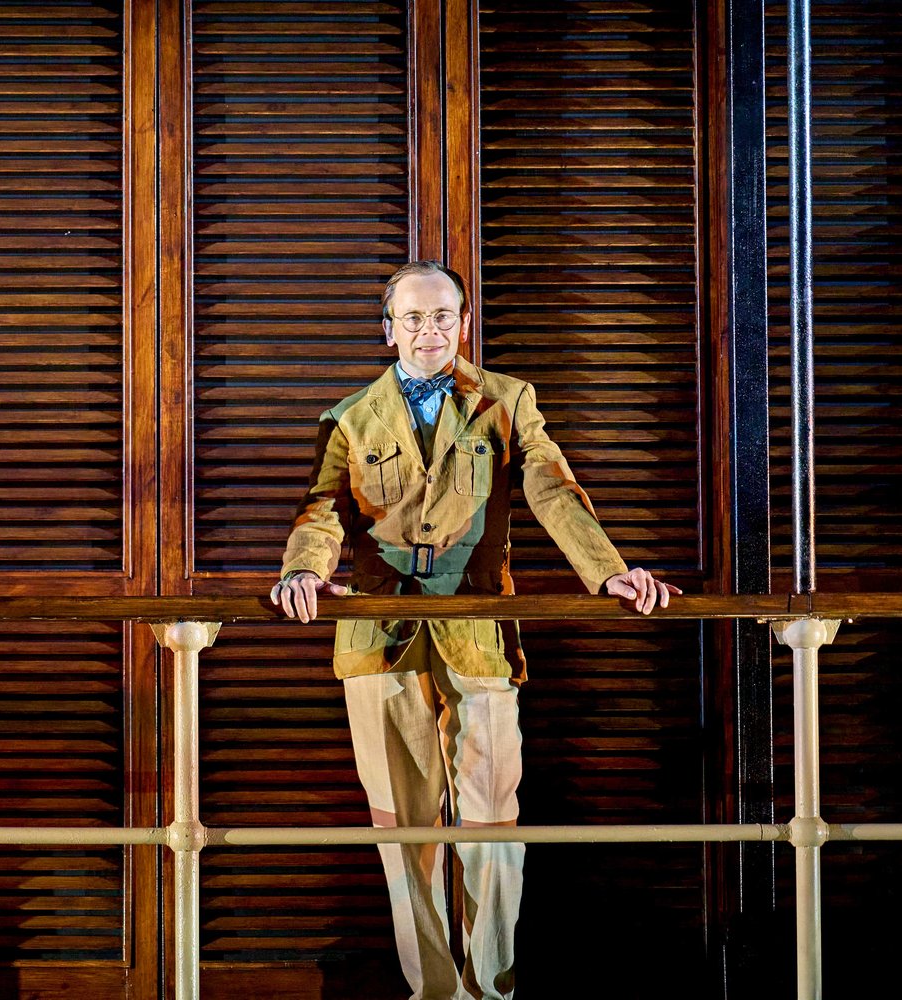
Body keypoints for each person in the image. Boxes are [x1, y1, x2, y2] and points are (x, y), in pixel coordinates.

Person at [270, 261, 678, 1000]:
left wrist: (607, 571)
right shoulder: (350, 417)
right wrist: (303, 570)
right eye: (414, 318)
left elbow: (554, 487)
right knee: (404, 832)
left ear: (465, 322)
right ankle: (433, 992)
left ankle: (492, 990)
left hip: (480, 630)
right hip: (377, 636)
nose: (431, 332)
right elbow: (321, 510)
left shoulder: (507, 400)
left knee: (493, 826)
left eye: (445, 316)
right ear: (388, 329)